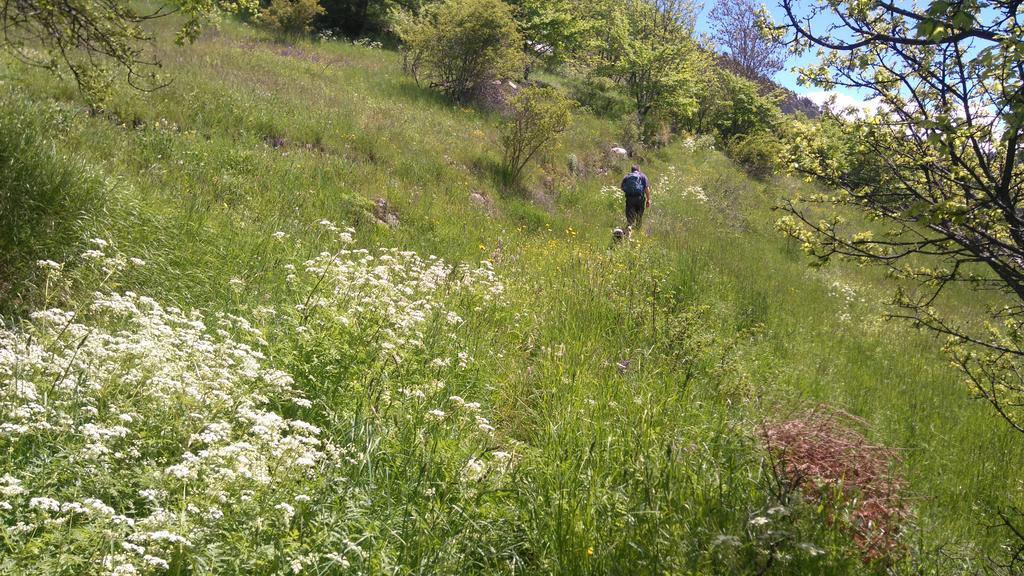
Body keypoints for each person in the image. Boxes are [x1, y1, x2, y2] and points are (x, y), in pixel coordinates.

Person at [620, 165, 651, 233]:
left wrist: (629, 191)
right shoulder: (642, 176)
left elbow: (622, 187)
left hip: (630, 198)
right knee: (639, 215)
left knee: (630, 215)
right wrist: (648, 200)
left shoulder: (627, 177)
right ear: (639, 169)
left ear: (631, 170)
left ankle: (629, 227)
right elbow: (646, 189)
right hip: (640, 198)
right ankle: (638, 231)